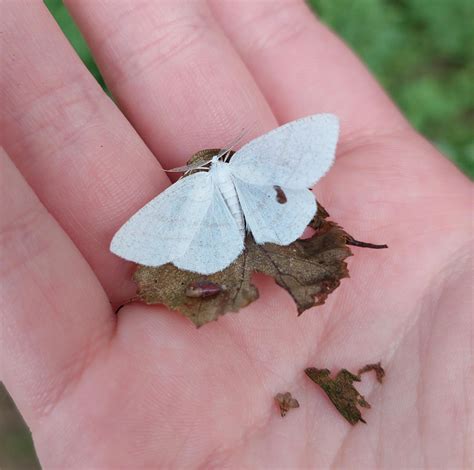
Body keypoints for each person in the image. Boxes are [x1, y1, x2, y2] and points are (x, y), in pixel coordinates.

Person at [1, 2, 471, 468]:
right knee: (270, 217)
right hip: (267, 200)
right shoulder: (247, 159)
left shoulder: (194, 184)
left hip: (217, 215)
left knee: (230, 233)